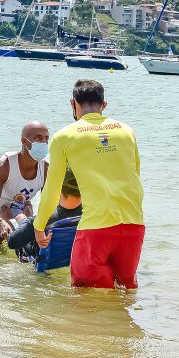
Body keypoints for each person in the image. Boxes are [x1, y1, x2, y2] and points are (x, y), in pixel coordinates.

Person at [33, 79, 144, 289]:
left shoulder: (64, 136)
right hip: (134, 226)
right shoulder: (127, 131)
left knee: (85, 299)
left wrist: (39, 226)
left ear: (73, 104)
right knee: (125, 291)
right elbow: (135, 177)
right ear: (104, 105)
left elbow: (52, 188)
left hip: (96, 228)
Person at [0, 121, 49, 243]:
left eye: (46, 138)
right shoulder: (3, 165)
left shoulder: (46, 169)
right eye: (38, 138)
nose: (44, 143)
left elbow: (47, 204)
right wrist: (1, 222)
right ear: (24, 141)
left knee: (26, 257)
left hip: (20, 216)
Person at [7, 167, 82, 260]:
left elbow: (12, 243)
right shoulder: (90, 214)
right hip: (70, 258)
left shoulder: (44, 219)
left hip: (44, 259)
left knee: (19, 220)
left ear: (58, 188)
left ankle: (22, 218)